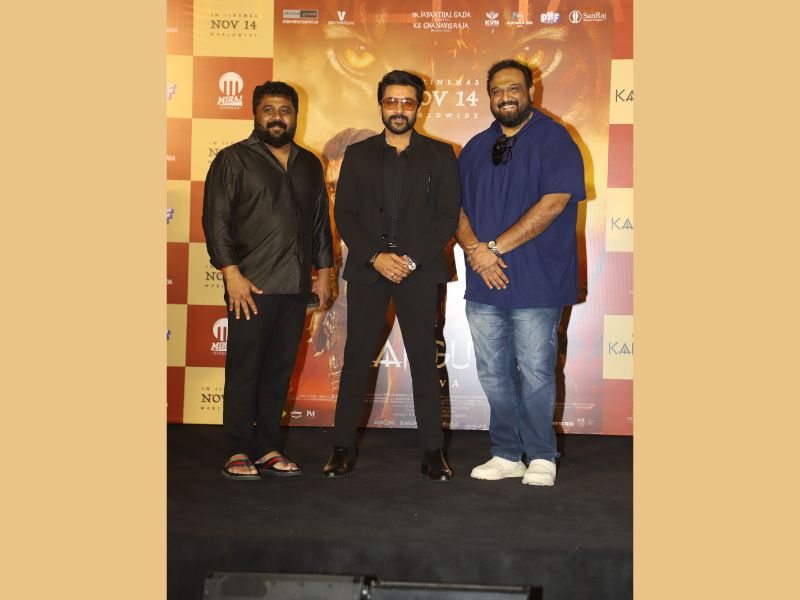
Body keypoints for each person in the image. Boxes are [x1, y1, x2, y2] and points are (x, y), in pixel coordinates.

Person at [322, 70, 461, 480]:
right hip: (369, 271)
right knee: (355, 361)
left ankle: (433, 451)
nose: (399, 109)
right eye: (391, 101)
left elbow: (446, 216)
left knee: (424, 361)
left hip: (420, 272)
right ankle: (342, 447)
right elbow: (345, 216)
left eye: (407, 102)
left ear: (419, 106)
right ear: (380, 104)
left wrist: (410, 260)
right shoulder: (358, 154)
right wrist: (376, 257)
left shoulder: (441, 155)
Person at [456, 60, 586, 486]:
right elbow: (453, 208)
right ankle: (507, 453)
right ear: (489, 96)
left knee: (535, 371)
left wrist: (493, 249)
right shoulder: (475, 147)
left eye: (513, 88)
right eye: (497, 90)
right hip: (484, 282)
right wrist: (476, 252)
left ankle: (542, 455)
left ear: (531, 91)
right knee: (493, 372)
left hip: (537, 282)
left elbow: (554, 203)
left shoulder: (555, 139)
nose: (505, 97)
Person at [202, 81, 333, 480]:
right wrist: (231, 274)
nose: (277, 117)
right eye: (269, 110)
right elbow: (216, 220)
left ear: (296, 116)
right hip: (250, 288)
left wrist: (324, 276)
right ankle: (238, 449)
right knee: (245, 372)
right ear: (256, 114)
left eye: (285, 110)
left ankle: (268, 447)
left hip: (295, 288)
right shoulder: (233, 159)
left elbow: (319, 225)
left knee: (278, 373)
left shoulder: (310, 163)